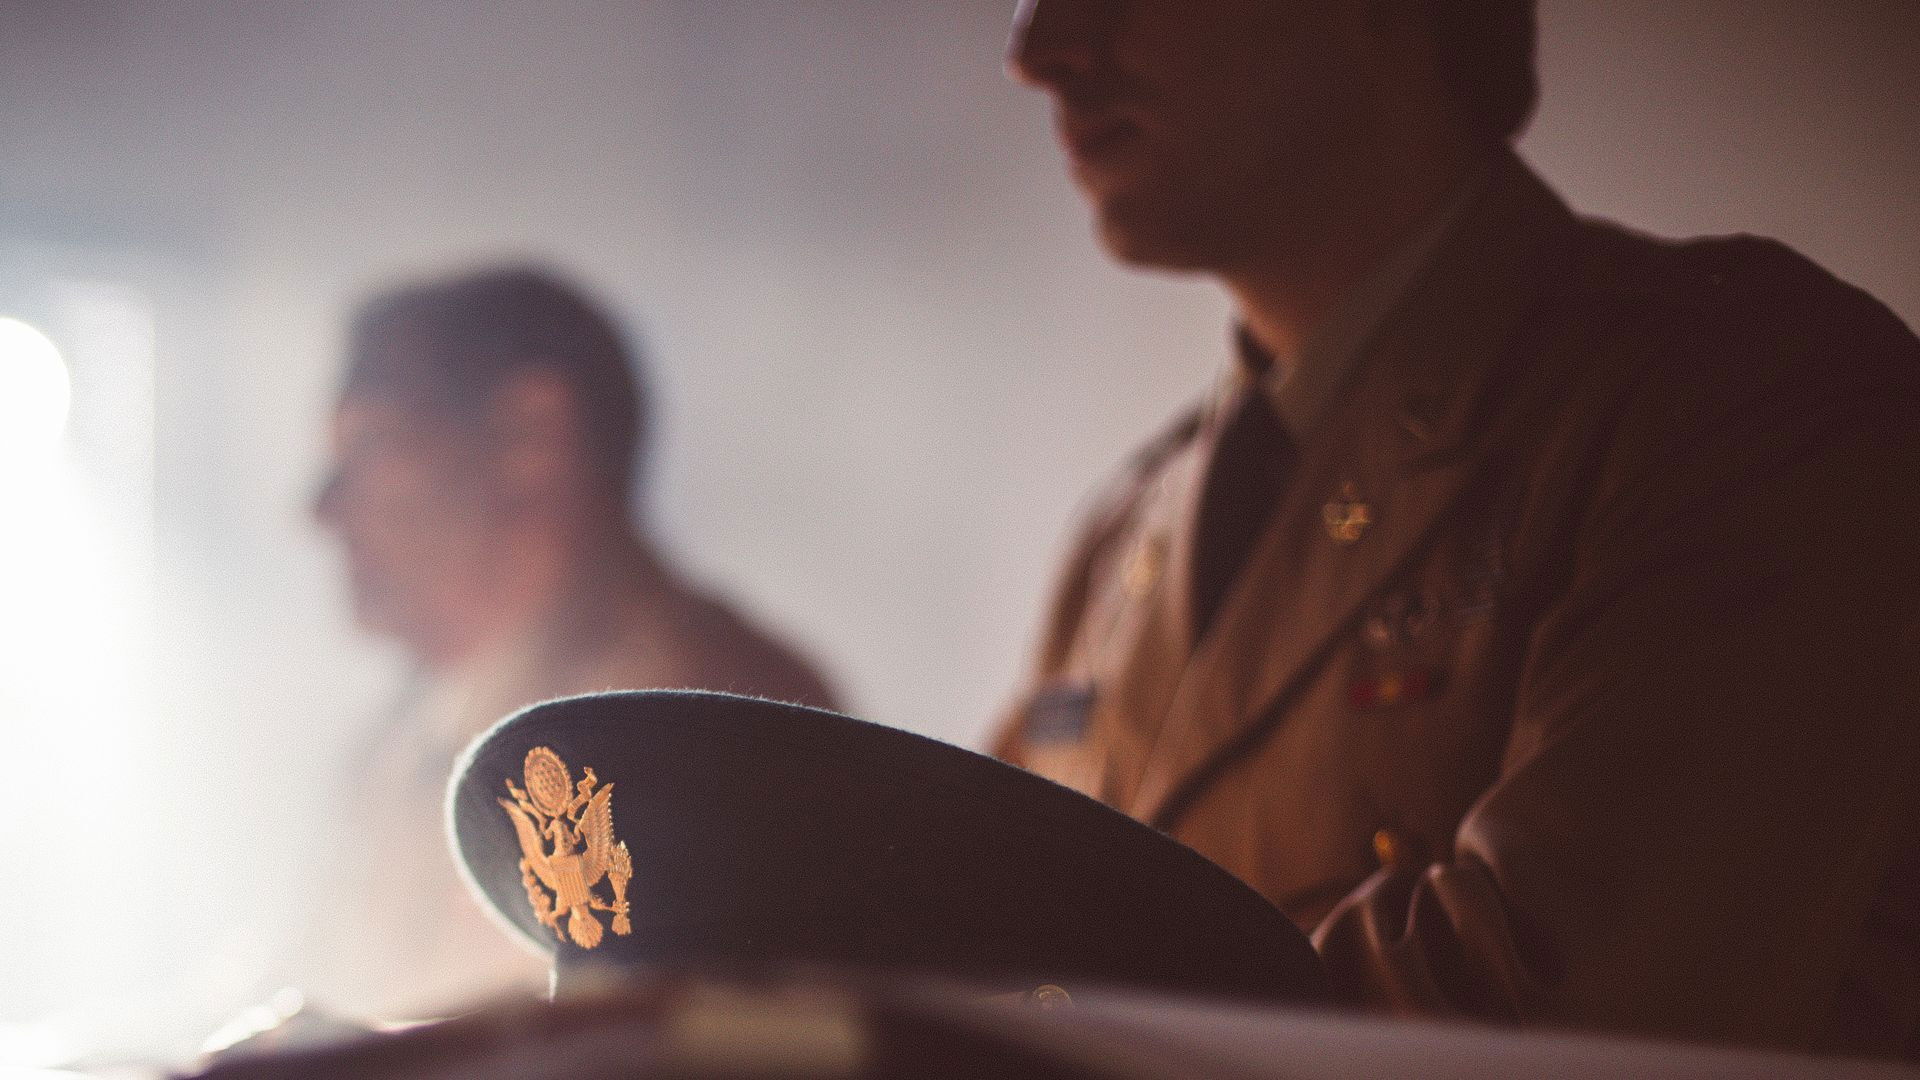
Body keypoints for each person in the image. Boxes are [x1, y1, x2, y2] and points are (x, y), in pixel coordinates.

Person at [991, 0, 1920, 1059]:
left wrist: (1029, 1013)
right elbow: (961, 917)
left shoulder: (1740, 399)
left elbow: (1564, 1017)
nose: (1036, 52)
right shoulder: (1122, 533)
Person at [302, 265, 838, 1019]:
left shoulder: (718, 730)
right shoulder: (402, 739)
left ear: (533, 436)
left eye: (371, 444)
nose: (320, 510)